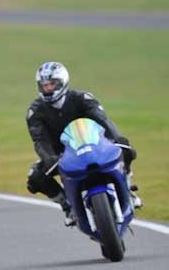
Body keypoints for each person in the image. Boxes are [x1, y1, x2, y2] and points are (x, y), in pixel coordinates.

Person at [26, 62, 141, 226]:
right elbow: (39, 139)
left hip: (95, 144)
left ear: (62, 82)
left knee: (125, 147)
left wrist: (116, 139)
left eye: (52, 84)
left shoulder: (83, 98)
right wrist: (49, 158)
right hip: (62, 155)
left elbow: (103, 120)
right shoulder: (35, 111)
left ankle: (127, 186)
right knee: (35, 177)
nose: (48, 89)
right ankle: (67, 205)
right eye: (44, 85)